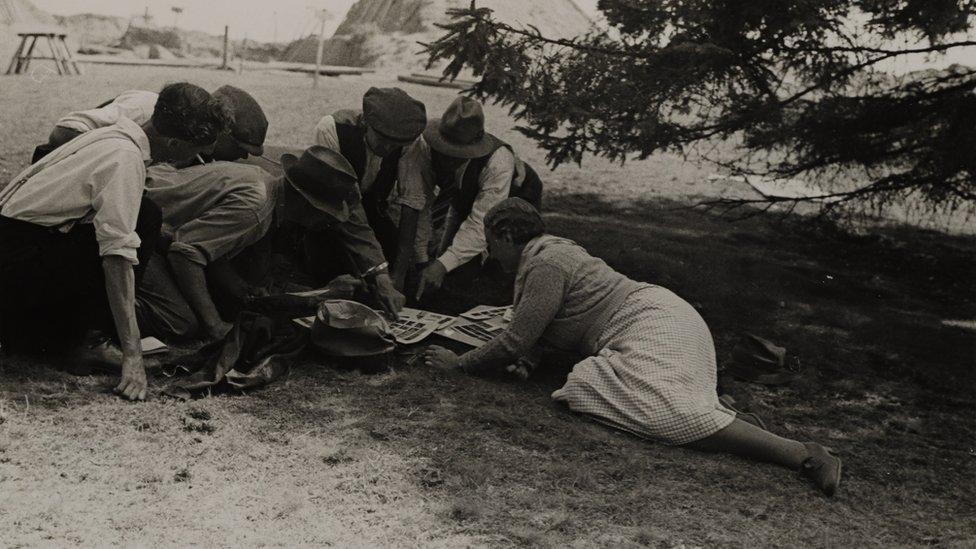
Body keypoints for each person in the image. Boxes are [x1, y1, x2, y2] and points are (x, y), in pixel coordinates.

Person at [423, 198, 842, 496]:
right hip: (659, 317)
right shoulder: (549, 253)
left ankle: (802, 454)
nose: (490, 254)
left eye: (491, 244)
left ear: (508, 234)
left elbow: (514, 340)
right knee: (612, 390)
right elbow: (546, 330)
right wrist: (532, 360)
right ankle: (733, 421)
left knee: (646, 407)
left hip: (653, 322)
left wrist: (458, 365)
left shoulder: (546, 263)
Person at [0, 82, 229, 401]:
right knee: (143, 220)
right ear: (175, 143)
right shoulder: (125, 157)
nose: (195, 159)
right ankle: (87, 342)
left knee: (143, 213)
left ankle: (52, 334)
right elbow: (117, 258)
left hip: (17, 251)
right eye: (194, 151)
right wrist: (133, 354)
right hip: (15, 263)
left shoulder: (116, 132)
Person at [38, 85, 279, 342]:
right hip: (78, 198)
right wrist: (104, 174)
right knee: (176, 317)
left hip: (128, 211)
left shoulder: (196, 147)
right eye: (241, 148)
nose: (243, 157)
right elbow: (64, 132)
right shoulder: (146, 109)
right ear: (223, 133)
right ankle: (72, 323)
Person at [409, 96, 544, 301]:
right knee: (451, 268)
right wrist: (423, 261)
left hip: (517, 198)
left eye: (457, 154)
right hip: (463, 199)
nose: (447, 158)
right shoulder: (426, 149)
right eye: (444, 150)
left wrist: (440, 266)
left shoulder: (498, 163)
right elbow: (420, 203)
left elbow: (481, 222)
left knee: (506, 266)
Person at [312, 87, 427, 292]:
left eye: (395, 146)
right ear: (365, 122)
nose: (388, 150)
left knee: (400, 273)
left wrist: (397, 275)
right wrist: (379, 271)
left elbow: (411, 201)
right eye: (383, 141)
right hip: (332, 210)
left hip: (373, 208)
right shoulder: (331, 128)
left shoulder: (410, 141)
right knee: (342, 274)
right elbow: (347, 203)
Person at [274, 145, 407, 317]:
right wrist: (325, 293)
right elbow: (266, 292)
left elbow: (359, 230)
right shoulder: (267, 216)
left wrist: (382, 280)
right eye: (328, 214)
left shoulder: (332, 189)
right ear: (308, 203)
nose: (333, 220)